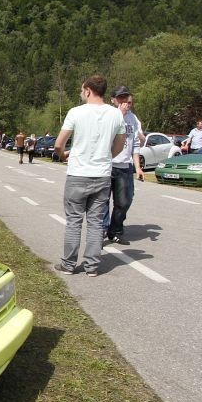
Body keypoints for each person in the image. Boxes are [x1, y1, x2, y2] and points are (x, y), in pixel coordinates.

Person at [53, 74, 125, 277]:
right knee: (95, 223)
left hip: (78, 173)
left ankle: (68, 265)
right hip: (102, 175)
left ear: (88, 90)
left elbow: (59, 144)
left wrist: (63, 155)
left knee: (74, 221)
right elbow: (120, 144)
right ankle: (92, 266)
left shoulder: (76, 112)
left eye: (81, 90)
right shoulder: (115, 114)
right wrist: (107, 157)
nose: (81, 93)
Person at [103, 86, 145, 245]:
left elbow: (136, 143)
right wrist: (119, 115)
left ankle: (114, 230)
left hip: (125, 166)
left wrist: (138, 167)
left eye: (127, 99)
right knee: (103, 201)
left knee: (124, 201)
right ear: (113, 100)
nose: (125, 102)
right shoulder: (107, 115)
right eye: (121, 98)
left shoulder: (133, 119)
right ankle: (101, 229)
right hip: (107, 165)